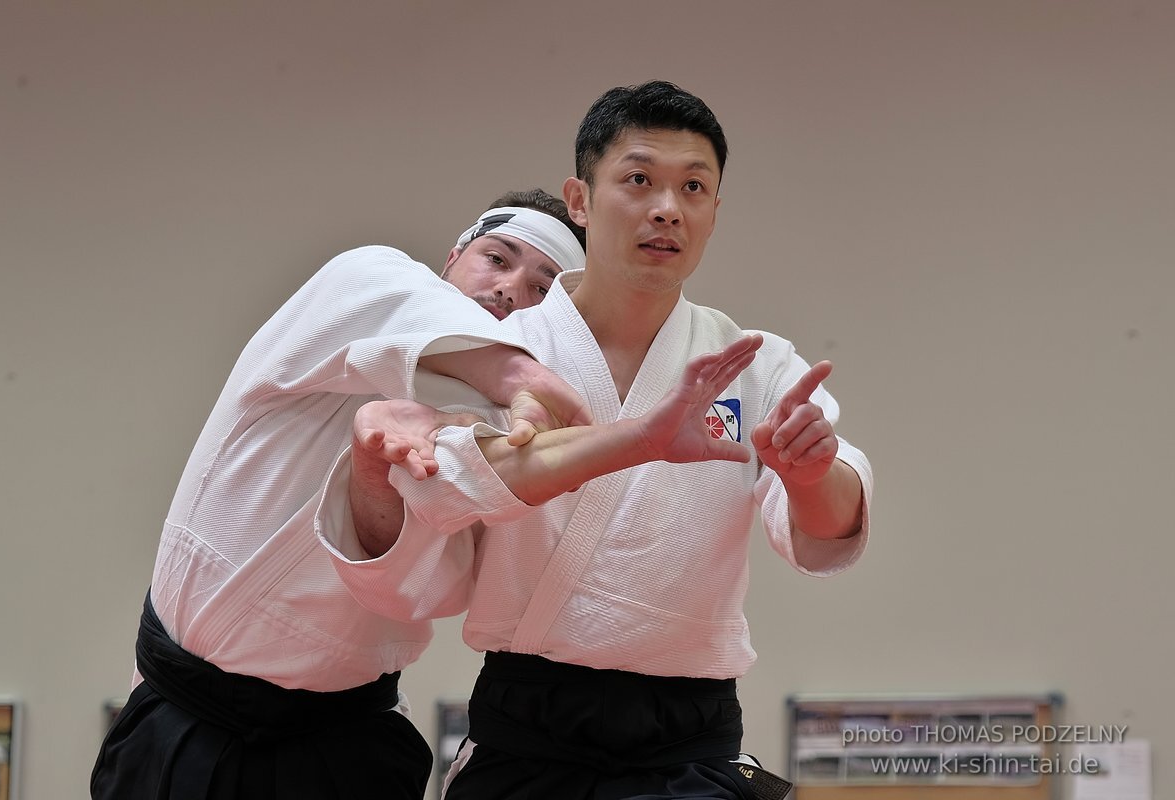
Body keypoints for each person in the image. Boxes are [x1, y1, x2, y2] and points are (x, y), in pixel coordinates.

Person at [320, 82, 874, 800]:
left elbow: (828, 532)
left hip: (689, 742)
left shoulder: (755, 363)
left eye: (694, 187)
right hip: (527, 734)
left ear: (712, 212)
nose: (667, 207)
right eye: (638, 179)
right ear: (579, 201)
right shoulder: (502, 354)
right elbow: (427, 533)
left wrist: (810, 472)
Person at [90, 190, 590, 800]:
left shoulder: (502, 434)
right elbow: (387, 287)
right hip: (187, 717)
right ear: (452, 257)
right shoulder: (362, 285)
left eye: (543, 287)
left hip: (346, 737)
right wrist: (520, 374)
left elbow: (438, 589)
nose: (512, 288)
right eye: (497, 258)